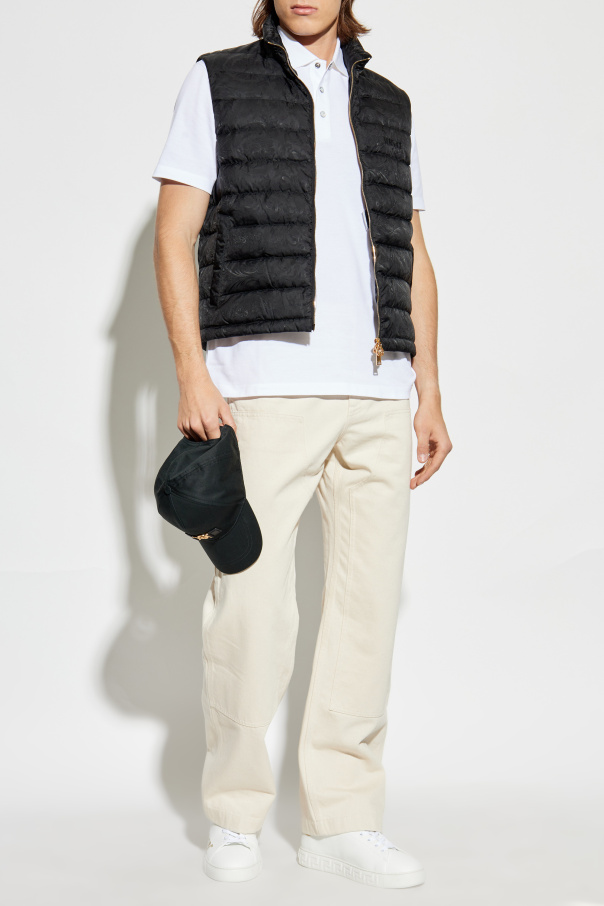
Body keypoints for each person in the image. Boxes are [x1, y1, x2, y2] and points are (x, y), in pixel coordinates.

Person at [152, 0, 452, 889]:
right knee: (250, 609)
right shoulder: (218, 81)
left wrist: (429, 386)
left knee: (365, 613)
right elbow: (174, 233)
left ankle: (341, 822)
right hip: (262, 385)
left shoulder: (389, 102)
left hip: (378, 390)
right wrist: (192, 373)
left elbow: (412, 250)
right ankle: (234, 815)